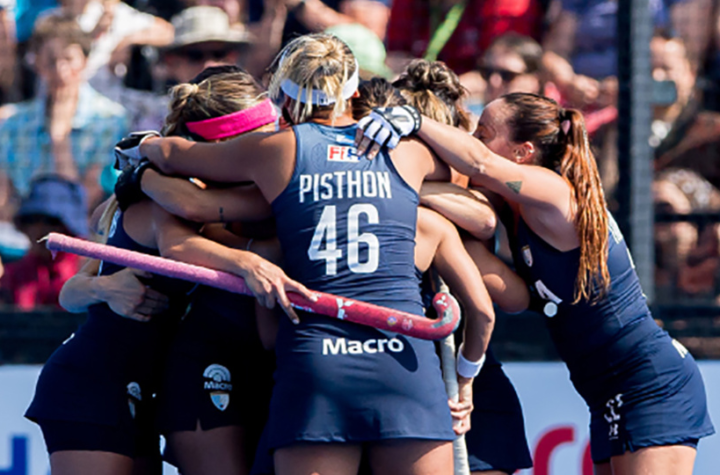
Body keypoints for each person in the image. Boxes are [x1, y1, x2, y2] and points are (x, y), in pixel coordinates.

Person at [118, 33, 496, 475]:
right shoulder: (407, 151)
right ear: (353, 92)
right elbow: (478, 165)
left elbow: (178, 157)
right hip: (404, 360)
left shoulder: (276, 150)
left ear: (284, 93)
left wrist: (143, 148)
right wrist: (415, 123)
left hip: (318, 361)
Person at [355, 92, 715, 475]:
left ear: (523, 152)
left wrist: (414, 120)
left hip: (650, 382)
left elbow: (479, 162)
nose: (473, 140)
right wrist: (404, 190)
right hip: (605, 390)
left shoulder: (553, 193)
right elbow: (514, 296)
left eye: (484, 133)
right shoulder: (513, 206)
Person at [26, 93, 311, 475]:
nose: (259, 153)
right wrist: (106, 289)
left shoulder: (179, 195)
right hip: (94, 380)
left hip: (141, 384)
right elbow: (169, 249)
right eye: (253, 142)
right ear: (218, 148)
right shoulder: (166, 198)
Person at [390, 61, 533, 475]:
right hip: (398, 378)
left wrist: (405, 188)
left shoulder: (467, 184)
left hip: (467, 381)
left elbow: (485, 223)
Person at [0, 14, 129, 207]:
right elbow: (4, 199)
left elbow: (83, 203)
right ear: (38, 64)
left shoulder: (110, 119)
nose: (60, 70)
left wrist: (59, 136)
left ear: (85, 60)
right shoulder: (13, 123)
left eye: (69, 59)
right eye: (51, 60)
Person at [0, 175, 87, 310]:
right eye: (32, 220)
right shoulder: (14, 275)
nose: (40, 230)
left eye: (51, 221)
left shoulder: (90, 271)